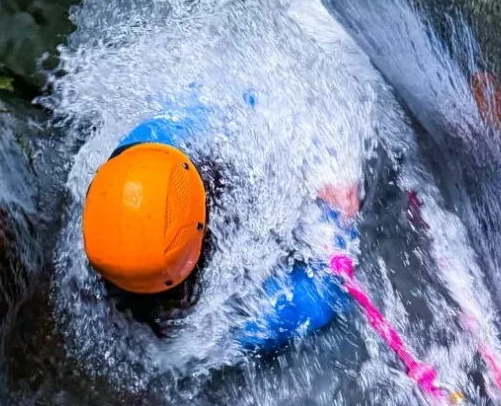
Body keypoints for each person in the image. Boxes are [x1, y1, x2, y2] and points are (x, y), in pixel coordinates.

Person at [81, 87, 360, 353]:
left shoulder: (145, 151)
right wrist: (339, 220)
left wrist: (314, 168)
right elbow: (323, 296)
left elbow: (238, 97)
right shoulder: (223, 326)